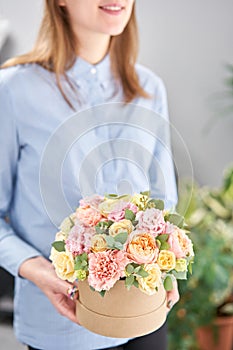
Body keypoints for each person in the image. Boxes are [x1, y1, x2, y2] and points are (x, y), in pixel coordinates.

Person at [0, 1, 179, 349]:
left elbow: (164, 200)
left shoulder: (150, 88)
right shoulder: (12, 90)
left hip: (146, 319)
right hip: (61, 327)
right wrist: (36, 269)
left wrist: (167, 260)